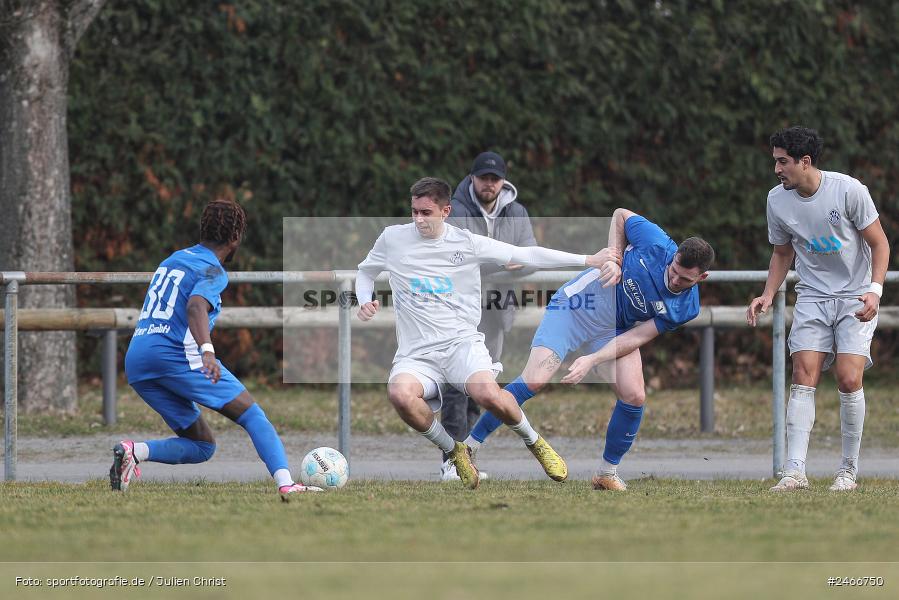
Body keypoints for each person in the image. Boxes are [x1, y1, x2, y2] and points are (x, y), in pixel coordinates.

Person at [355, 177, 620, 489]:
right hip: (416, 355)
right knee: (399, 394)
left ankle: (534, 441)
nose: (418, 219)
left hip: (461, 346)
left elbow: (527, 255)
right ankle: (454, 452)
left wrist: (588, 260)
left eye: (426, 212)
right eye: (414, 211)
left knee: (487, 395)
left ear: (445, 211)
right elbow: (366, 271)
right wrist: (364, 300)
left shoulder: (467, 243)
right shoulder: (393, 238)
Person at [463, 208, 715, 491]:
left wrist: (593, 359)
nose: (675, 281)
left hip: (614, 330)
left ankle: (607, 473)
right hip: (575, 309)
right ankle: (469, 448)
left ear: (701, 278)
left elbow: (637, 337)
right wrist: (615, 258)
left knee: (634, 395)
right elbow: (620, 215)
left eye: (685, 280)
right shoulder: (656, 243)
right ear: (673, 258)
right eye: (674, 272)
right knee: (534, 379)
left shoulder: (686, 307)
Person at [113, 199, 322, 498]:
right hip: (176, 356)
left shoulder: (173, 259)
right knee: (252, 415)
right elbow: (195, 306)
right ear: (236, 238)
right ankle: (286, 483)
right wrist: (207, 351)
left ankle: (133, 452)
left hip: (138, 360)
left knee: (202, 445)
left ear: (203, 230)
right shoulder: (212, 269)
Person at [747, 126, 889, 492]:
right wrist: (767, 293)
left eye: (782, 161)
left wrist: (874, 291)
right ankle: (795, 472)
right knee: (803, 374)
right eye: (775, 161)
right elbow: (782, 253)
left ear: (804, 162)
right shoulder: (776, 201)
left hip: (856, 296)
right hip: (811, 296)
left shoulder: (848, 191)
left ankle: (848, 471)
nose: (777, 169)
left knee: (848, 377)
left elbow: (880, 244)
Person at [438, 151, 538, 482]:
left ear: (503, 182)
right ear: (473, 178)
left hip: (497, 310)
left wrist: (504, 264)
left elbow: (529, 257)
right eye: (484, 179)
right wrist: (501, 263)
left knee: (482, 388)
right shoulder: (456, 209)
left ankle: (464, 459)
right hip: (461, 309)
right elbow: (455, 257)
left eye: (495, 179)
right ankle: (450, 462)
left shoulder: (517, 211)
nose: (489, 185)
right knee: (456, 387)